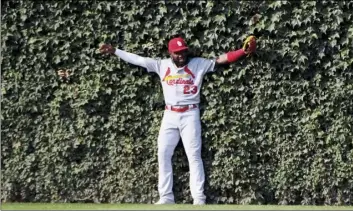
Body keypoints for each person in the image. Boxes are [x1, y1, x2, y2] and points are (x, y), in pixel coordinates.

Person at [99, 35, 256, 205]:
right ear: (170, 53)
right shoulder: (162, 65)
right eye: (177, 53)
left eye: (183, 52)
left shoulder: (198, 64)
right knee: (163, 154)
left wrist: (242, 51)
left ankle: (199, 199)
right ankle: (166, 197)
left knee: (194, 156)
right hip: (170, 114)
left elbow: (221, 60)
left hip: (190, 114)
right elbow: (139, 60)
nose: (181, 55)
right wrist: (115, 51)